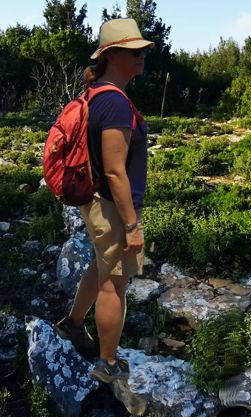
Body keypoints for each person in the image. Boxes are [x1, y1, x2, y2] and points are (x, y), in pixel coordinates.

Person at [54, 18, 153, 384]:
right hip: (112, 206)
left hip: (97, 202)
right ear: (112, 55)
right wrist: (131, 225)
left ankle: (73, 324)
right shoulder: (113, 102)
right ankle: (107, 364)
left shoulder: (96, 95)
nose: (142, 55)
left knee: (100, 267)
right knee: (115, 281)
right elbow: (115, 171)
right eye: (134, 50)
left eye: (142, 49)